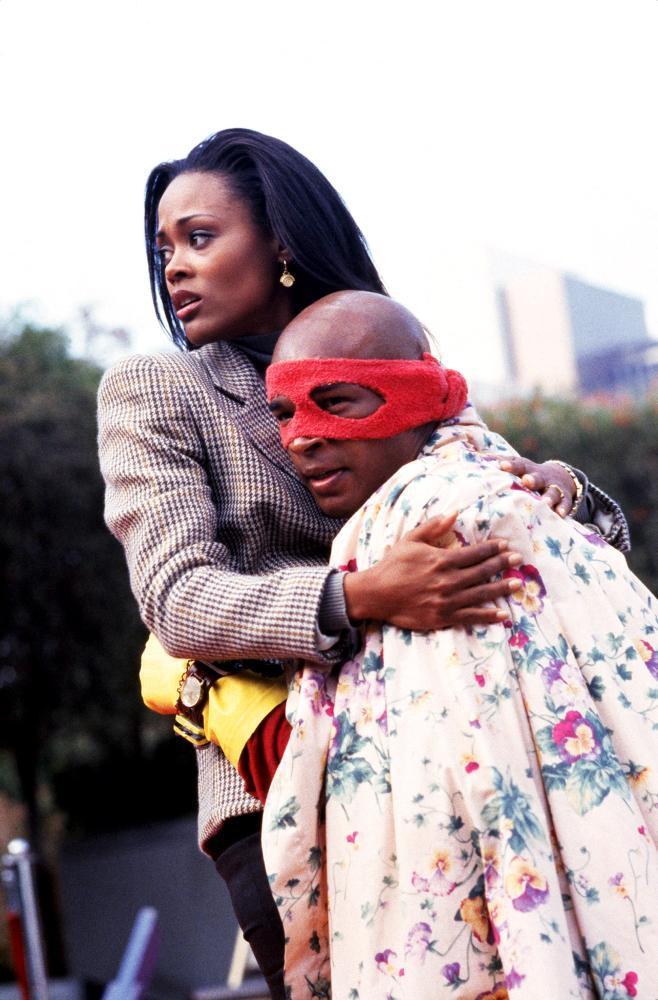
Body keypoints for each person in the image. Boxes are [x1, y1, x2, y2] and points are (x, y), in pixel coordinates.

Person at [97, 128, 629, 999]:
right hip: (278, 777)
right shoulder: (157, 391)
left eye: (200, 237)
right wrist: (362, 596)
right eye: (165, 250)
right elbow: (177, 598)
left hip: (464, 748)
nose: (176, 268)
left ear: (281, 242)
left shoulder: (378, 339)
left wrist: (561, 485)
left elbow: (500, 500)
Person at [262, 290, 658, 1000]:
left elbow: (482, 772)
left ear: (420, 399)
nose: (301, 438)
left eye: (337, 402)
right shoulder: (458, 498)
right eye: (285, 413)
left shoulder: (445, 514)